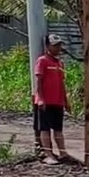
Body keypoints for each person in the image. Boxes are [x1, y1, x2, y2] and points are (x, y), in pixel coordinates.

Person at [33, 33, 72, 164]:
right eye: (55, 45)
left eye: (59, 45)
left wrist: (66, 101)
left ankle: (63, 152)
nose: (58, 48)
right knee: (44, 129)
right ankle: (48, 154)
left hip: (58, 102)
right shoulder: (42, 61)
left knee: (58, 129)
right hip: (45, 102)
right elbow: (39, 81)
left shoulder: (60, 63)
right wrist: (40, 99)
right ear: (48, 46)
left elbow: (62, 83)